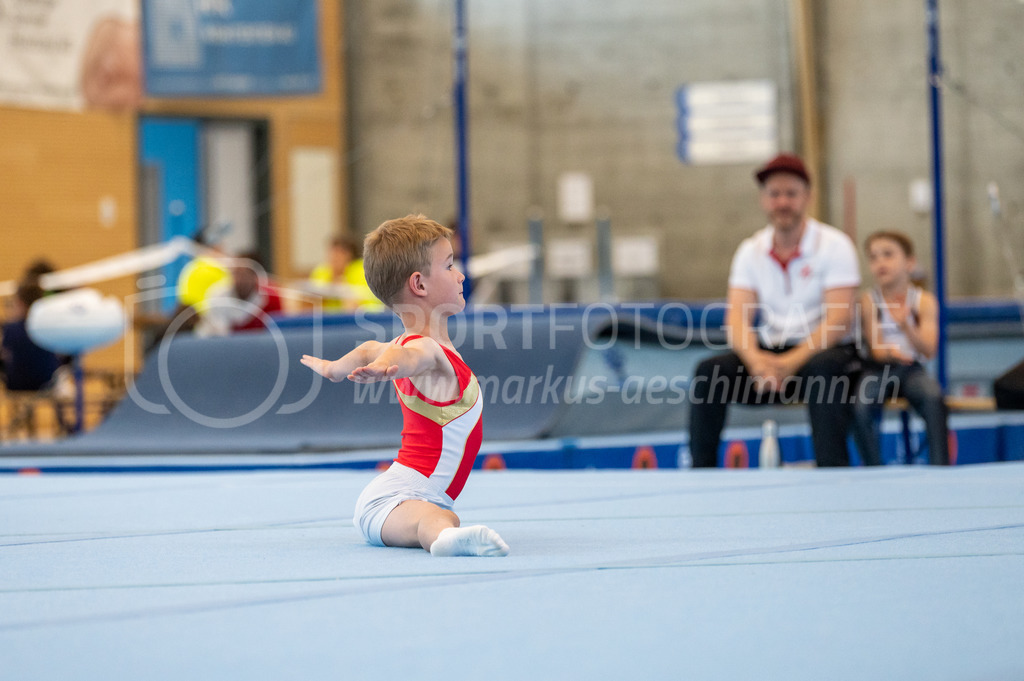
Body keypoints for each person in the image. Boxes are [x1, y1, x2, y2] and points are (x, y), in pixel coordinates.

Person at [300, 214, 509, 557]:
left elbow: (372, 349)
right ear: (420, 284)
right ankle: (445, 540)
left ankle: (443, 531)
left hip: (407, 495)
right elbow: (412, 357)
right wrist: (388, 367)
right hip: (394, 501)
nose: (461, 275)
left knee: (440, 514)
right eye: (450, 265)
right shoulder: (425, 349)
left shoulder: (408, 345)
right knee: (440, 519)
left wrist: (337, 369)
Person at [688, 153, 862, 467]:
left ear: (807, 197)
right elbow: (737, 319)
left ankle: (833, 470)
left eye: (791, 194)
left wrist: (789, 363)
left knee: (824, 372)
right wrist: (757, 363)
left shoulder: (835, 246)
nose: (782, 202)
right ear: (763, 200)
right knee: (709, 372)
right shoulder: (750, 251)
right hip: (769, 360)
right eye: (775, 194)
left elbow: (839, 319)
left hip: (821, 354)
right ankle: (702, 472)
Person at [851, 231, 948, 465]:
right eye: (873, 258)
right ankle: (873, 468)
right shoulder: (869, 300)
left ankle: (940, 466)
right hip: (880, 370)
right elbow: (876, 348)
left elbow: (928, 349)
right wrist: (892, 353)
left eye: (888, 255)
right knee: (860, 405)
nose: (880, 263)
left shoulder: (923, 301)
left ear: (910, 262)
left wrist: (907, 325)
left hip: (912, 370)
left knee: (934, 399)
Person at [194, 252, 283, 337]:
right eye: (236, 273)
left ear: (256, 276)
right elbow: (219, 335)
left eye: (245, 274)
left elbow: (278, 328)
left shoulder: (271, 298)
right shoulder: (217, 298)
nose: (240, 279)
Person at [1, 282, 62, 391]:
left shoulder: (11, 328)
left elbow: (5, 353)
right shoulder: (50, 327)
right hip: (47, 383)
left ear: (20, 303)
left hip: (16, 385)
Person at [308, 235, 383, 312]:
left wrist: (342, 287)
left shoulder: (361, 270)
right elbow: (313, 295)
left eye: (340, 253)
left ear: (350, 256)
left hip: (365, 312)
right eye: (332, 252)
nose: (335, 257)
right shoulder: (321, 271)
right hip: (328, 315)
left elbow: (362, 299)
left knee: (349, 299)